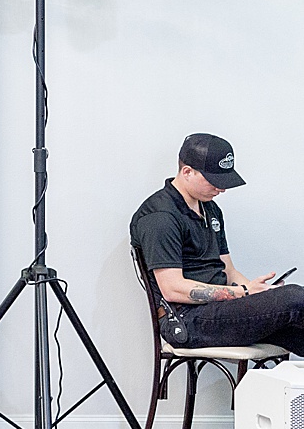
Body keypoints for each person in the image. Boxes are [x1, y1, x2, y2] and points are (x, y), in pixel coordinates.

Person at [129, 133, 304, 354]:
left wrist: (260, 293)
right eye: (214, 181)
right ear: (187, 172)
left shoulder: (209, 208)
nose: (221, 189)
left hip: (219, 311)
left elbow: (228, 270)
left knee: (296, 328)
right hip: (186, 320)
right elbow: (172, 289)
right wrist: (244, 293)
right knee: (295, 297)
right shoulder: (160, 216)